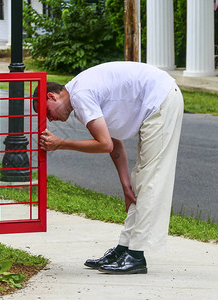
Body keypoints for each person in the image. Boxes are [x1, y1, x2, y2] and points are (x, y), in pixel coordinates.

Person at [34, 61, 184, 275]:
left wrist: (62, 143)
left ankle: (136, 256)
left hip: (161, 99)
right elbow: (116, 144)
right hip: (158, 100)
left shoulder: (80, 95)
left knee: (149, 180)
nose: (49, 119)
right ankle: (124, 249)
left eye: (47, 112)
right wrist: (125, 185)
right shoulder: (80, 98)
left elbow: (105, 144)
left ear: (52, 96)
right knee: (139, 181)